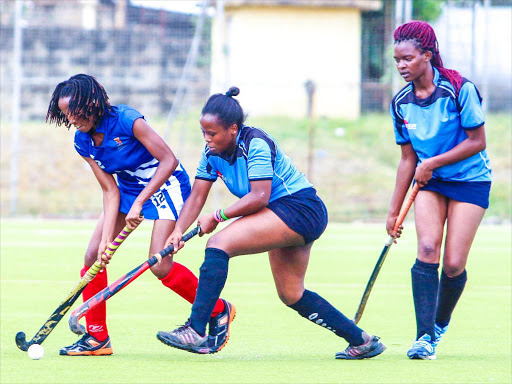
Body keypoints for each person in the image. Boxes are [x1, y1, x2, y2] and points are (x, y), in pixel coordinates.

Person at [155, 86, 386, 359]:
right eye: (203, 133)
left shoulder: (255, 143)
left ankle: (196, 329)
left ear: (232, 128)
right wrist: (178, 231)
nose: (207, 140)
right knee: (291, 293)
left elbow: (259, 197)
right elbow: (196, 195)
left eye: (212, 133)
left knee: (219, 243)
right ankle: (362, 340)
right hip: (281, 212)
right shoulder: (211, 153)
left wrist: (217, 217)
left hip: (300, 208)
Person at [46, 74, 232, 356]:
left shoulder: (127, 120)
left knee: (160, 265)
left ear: (92, 102)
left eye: (75, 111)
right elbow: (110, 190)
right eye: (65, 114)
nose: (71, 119)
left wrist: (141, 202)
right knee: (93, 254)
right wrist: (107, 242)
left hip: (166, 184)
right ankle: (97, 338)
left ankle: (219, 309)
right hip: (128, 190)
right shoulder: (82, 141)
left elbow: (169, 160)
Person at [387, 21, 491, 360]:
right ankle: (424, 336)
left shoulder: (459, 89)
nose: (402, 66)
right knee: (428, 247)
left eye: (408, 58)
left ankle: (440, 323)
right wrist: (393, 210)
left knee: (454, 264)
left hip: (470, 180)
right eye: (397, 60)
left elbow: (478, 142)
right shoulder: (401, 102)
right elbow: (407, 160)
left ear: (427, 55)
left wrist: (432, 163)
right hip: (429, 184)